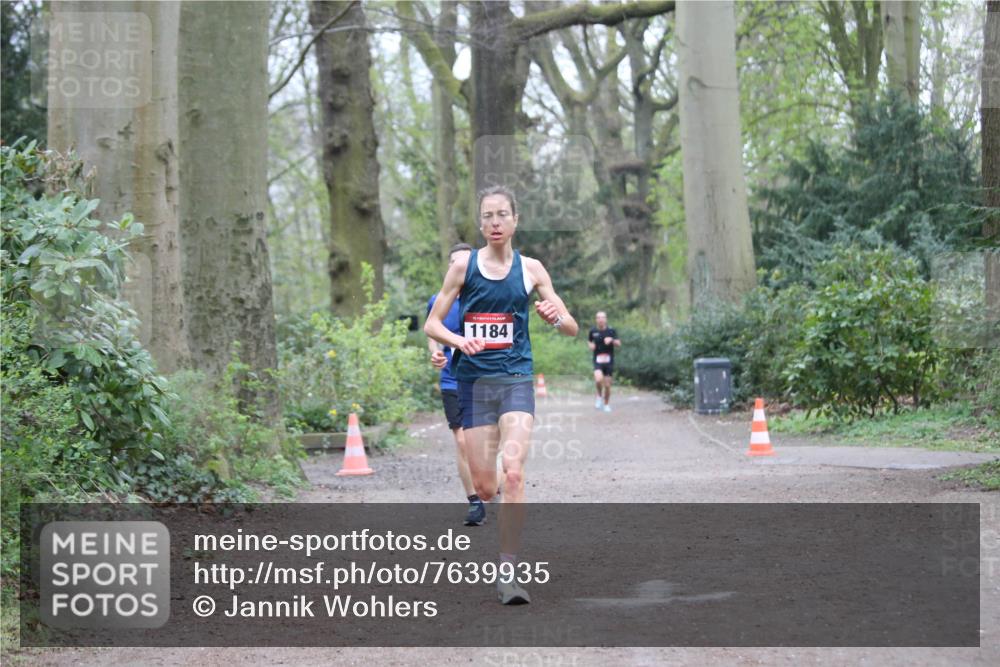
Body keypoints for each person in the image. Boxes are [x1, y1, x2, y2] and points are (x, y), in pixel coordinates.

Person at [424, 185, 579, 604]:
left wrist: (554, 316)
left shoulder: (531, 269)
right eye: (487, 216)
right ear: (480, 224)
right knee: (485, 487)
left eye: (502, 215)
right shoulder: (463, 267)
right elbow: (432, 324)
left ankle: (508, 573)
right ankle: (490, 474)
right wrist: (459, 340)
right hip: (474, 383)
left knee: (513, 473)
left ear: (515, 220)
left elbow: (571, 327)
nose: (495, 222)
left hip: (515, 379)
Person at [426, 243, 485, 527]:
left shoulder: (485, 299)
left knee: (486, 442)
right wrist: (435, 352)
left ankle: (490, 480)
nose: (459, 267)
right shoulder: (438, 299)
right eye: (454, 263)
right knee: (462, 441)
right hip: (452, 379)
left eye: (464, 262)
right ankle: (474, 501)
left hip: (485, 379)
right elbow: (432, 331)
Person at [587, 311, 621, 412]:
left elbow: (618, 343)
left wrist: (612, 340)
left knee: (607, 385)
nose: (600, 319)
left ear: (606, 319)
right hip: (597, 360)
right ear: (596, 319)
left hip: (608, 361)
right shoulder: (593, 331)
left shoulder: (611, 331)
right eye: (598, 317)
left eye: (602, 317)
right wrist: (591, 345)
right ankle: (599, 395)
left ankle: (606, 404)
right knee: (598, 380)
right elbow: (589, 341)